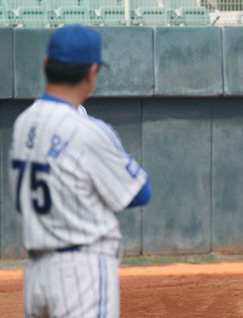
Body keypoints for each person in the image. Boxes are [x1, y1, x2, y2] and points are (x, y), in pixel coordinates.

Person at [8, 25, 151, 318]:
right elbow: (139, 192)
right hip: (81, 271)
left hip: (35, 272)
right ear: (92, 72)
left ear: (45, 64)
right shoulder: (89, 131)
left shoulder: (23, 124)